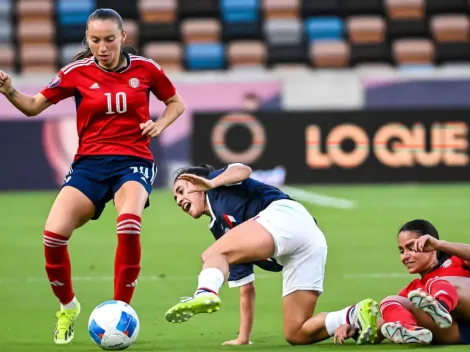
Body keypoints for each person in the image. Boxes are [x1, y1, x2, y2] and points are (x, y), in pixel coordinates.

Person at [0, 8, 184, 345]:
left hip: (134, 161)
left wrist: (159, 124)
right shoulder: (75, 73)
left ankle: (121, 312)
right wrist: (9, 90)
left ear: (123, 38)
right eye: (96, 40)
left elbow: (175, 102)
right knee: (53, 237)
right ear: (87, 40)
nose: (103, 47)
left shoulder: (146, 69)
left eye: (109, 39)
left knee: (128, 223)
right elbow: (33, 107)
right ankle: (68, 307)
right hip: (89, 165)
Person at [166, 163, 379, 346]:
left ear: (198, 182)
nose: (178, 199)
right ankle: (354, 314)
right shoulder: (221, 232)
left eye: (182, 190)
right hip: (305, 247)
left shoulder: (217, 185)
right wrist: (243, 337)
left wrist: (212, 182)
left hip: (286, 217)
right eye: (175, 197)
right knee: (296, 333)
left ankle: (204, 292)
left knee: (211, 255)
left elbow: (243, 169)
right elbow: (246, 287)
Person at [334, 219, 470, 345]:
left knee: (435, 283)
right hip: (454, 332)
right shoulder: (413, 290)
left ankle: (441, 306)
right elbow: (384, 325)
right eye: (401, 250)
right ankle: (410, 330)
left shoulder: (456, 260)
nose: (405, 256)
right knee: (391, 301)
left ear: (431, 248)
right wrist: (356, 330)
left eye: (411, 248)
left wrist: (441, 244)